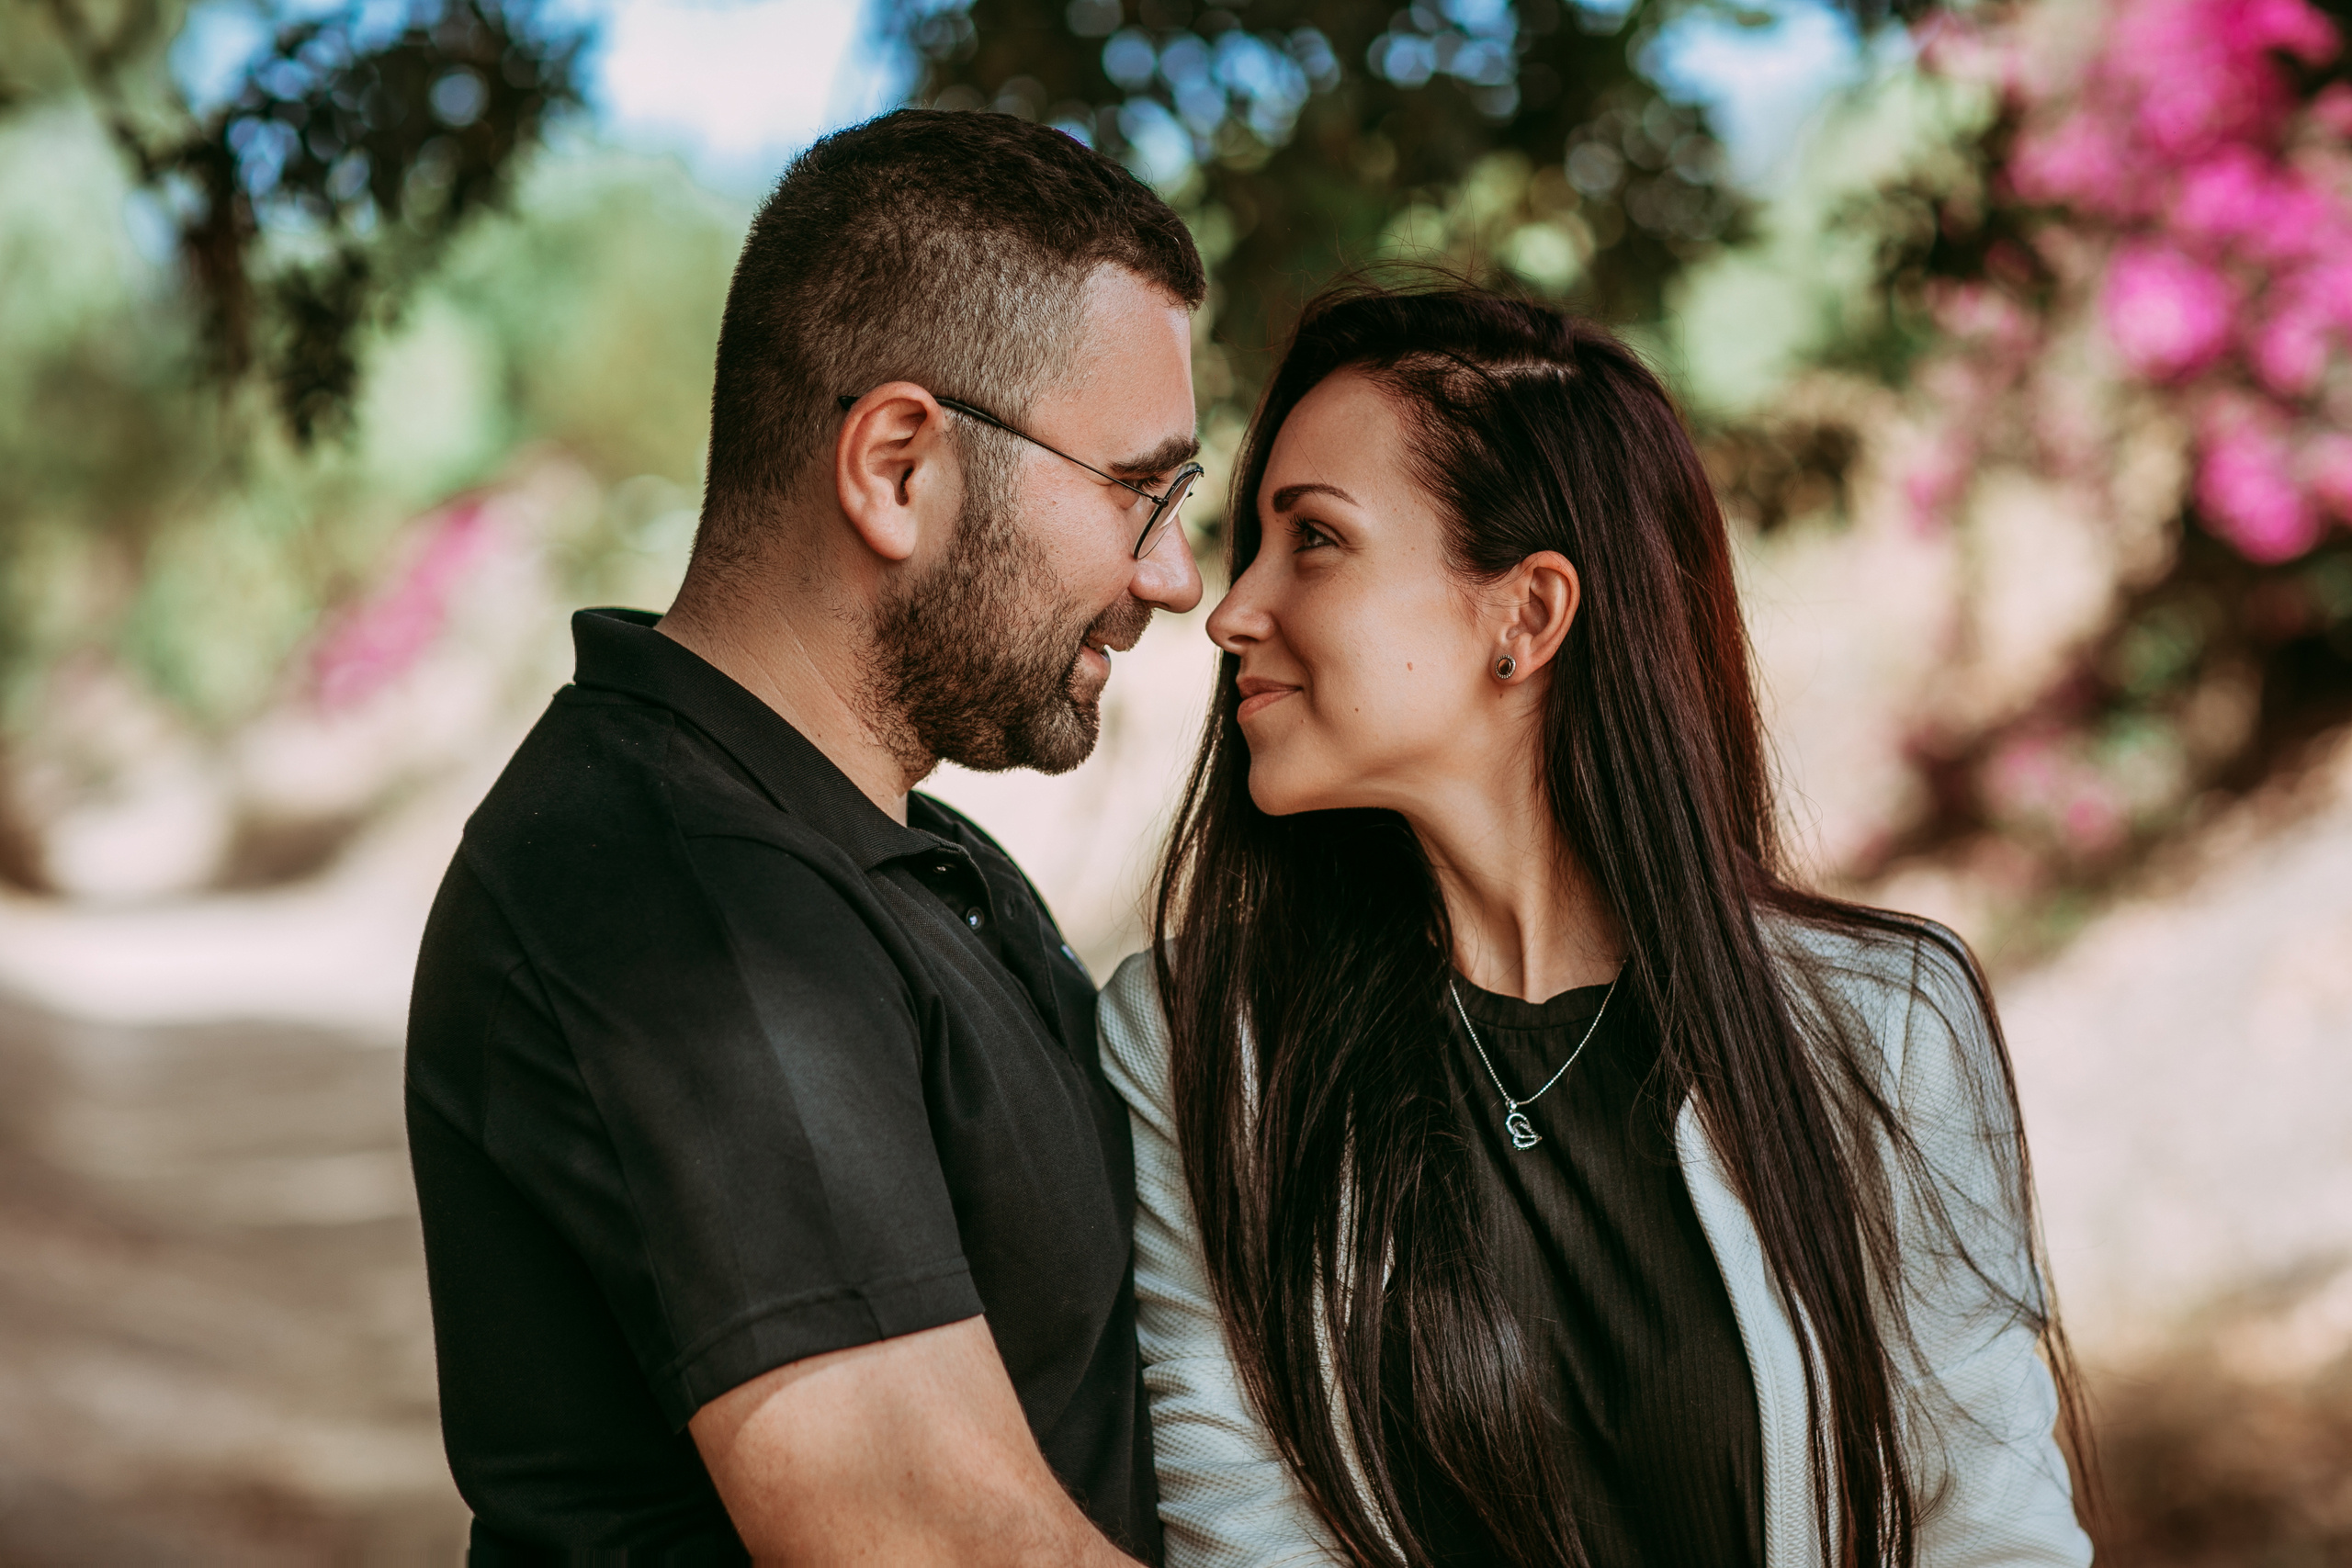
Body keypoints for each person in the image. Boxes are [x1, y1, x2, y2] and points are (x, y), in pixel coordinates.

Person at [1098, 284, 2096, 1568]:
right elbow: (1245, 1532)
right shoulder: (1204, 1050)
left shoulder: (1885, 1026)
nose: (1230, 610)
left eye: (1317, 542)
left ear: (1527, 614)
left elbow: (1995, 1529)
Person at [405, 109, 1207, 1564]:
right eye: (1141, 491)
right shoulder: (679, 897)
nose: (1176, 574)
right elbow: (940, 1545)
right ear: (896, 465)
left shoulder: (903, 857)